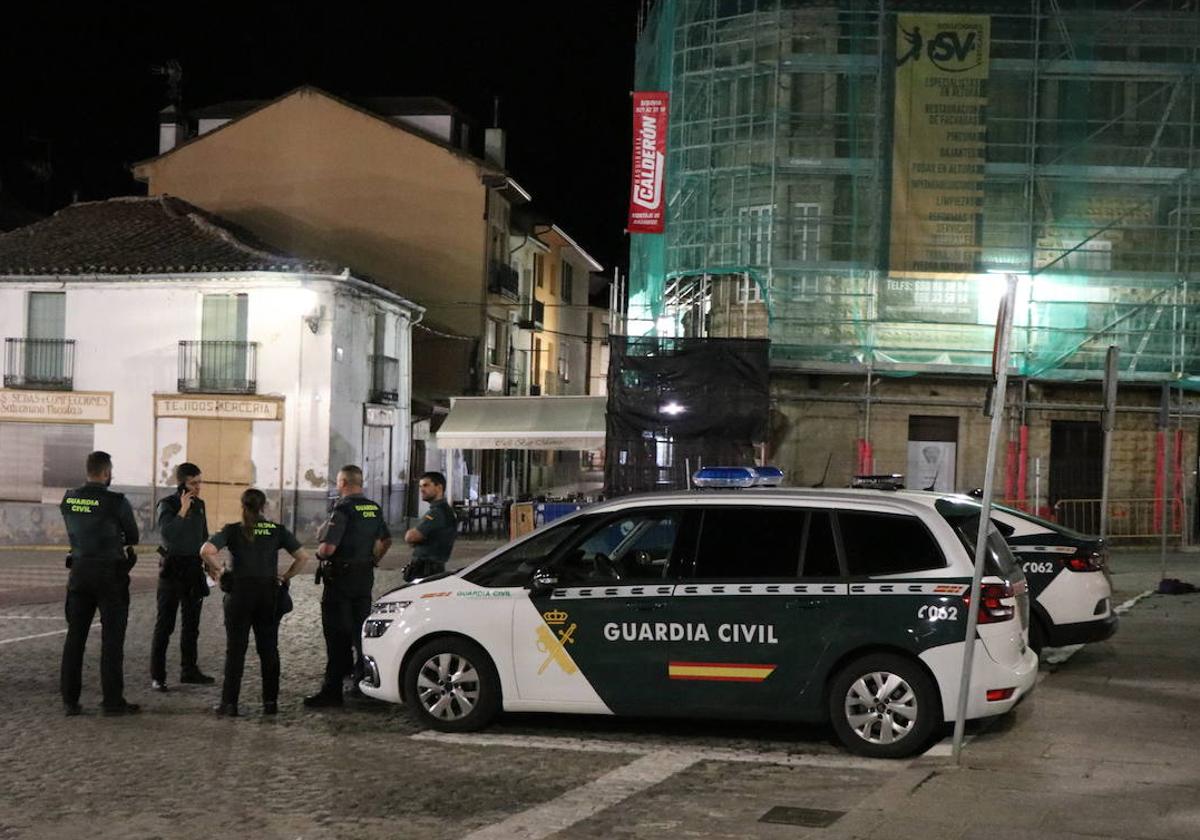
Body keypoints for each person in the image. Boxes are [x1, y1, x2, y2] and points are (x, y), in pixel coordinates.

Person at [200, 488, 309, 717]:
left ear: (243, 506)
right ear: (263, 507)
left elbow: (206, 550)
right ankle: (270, 703)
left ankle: (229, 704)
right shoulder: (276, 530)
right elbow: (303, 557)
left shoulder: (233, 530)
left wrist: (220, 571)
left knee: (235, 651)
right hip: (267, 595)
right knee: (269, 649)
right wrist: (286, 576)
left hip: (239, 595)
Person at [59, 451, 141, 716]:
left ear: (88, 470)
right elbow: (134, 536)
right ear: (106, 473)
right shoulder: (116, 501)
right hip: (110, 575)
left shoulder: (69, 499)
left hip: (80, 572)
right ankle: (112, 700)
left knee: (75, 638)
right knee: (112, 640)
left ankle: (70, 700)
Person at [304, 465, 391, 708]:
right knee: (360, 632)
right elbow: (386, 540)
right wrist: (373, 560)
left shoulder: (343, 509)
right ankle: (363, 684)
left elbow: (328, 549)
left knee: (336, 634)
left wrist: (319, 553)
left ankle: (332, 691)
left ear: (342, 482)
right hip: (363, 578)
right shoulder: (373, 508)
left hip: (340, 580)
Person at [150, 462, 214, 691]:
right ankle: (158, 675)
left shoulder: (201, 505)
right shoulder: (166, 505)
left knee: (191, 624)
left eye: (200, 482)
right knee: (165, 625)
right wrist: (182, 510)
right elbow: (168, 534)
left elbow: (203, 536)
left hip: (193, 569)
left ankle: (189, 669)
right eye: (193, 483)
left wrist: (210, 564)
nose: (198, 487)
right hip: (172, 569)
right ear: (181, 484)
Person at [402, 471, 457, 582]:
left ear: (439, 487)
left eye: (426, 485)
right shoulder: (443, 510)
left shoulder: (437, 513)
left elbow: (411, 537)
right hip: (431, 567)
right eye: (420, 486)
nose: (422, 490)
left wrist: (414, 537)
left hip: (427, 569)